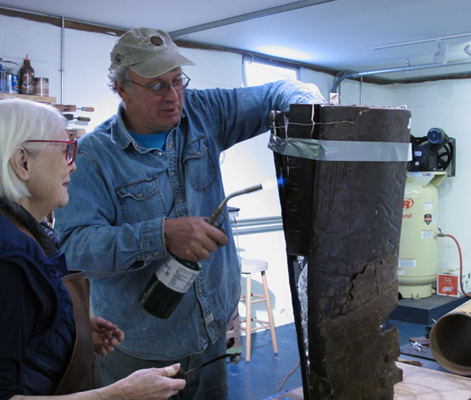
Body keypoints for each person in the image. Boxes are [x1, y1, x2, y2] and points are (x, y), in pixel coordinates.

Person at [54, 27, 325, 399]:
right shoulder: (94, 156)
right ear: (122, 89)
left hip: (210, 337)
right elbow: (73, 249)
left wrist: (316, 111)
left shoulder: (202, 113)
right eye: (157, 86)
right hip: (139, 350)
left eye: (178, 81)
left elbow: (277, 93)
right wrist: (161, 235)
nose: (173, 96)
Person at [0, 98, 186, 400]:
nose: (72, 164)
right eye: (64, 150)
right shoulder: (10, 259)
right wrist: (119, 394)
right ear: (23, 162)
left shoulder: (29, 233)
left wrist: (66, 331)